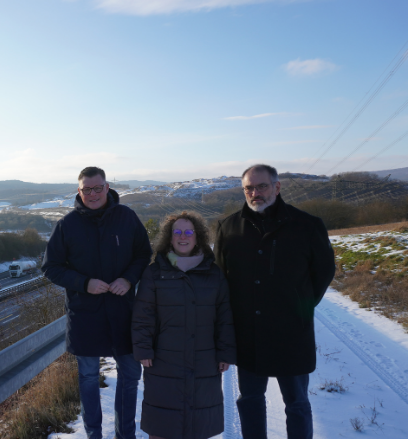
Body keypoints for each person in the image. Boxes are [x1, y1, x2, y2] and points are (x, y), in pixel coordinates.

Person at [214, 164, 336, 439]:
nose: (254, 193)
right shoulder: (228, 227)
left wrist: (301, 305)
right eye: (248, 188)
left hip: (291, 333)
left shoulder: (307, 225)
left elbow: (324, 271)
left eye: (261, 186)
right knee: (250, 399)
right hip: (248, 334)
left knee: (297, 403)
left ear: (277, 187)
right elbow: (221, 276)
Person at [42, 166, 152, 439]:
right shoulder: (67, 225)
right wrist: (84, 283)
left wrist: (128, 279)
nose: (93, 194)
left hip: (124, 313)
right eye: (87, 189)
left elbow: (143, 253)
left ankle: (125, 434)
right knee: (89, 378)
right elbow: (51, 267)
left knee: (130, 376)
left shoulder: (127, 217)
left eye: (97, 188)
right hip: (85, 316)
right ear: (79, 191)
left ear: (107, 187)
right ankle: (94, 435)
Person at [132, 211, 237, 439]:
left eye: (189, 232)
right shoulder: (154, 273)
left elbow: (225, 317)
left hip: (204, 360)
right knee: (162, 424)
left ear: (197, 237)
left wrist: (225, 352)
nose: (183, 236)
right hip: (163, 360)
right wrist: (143, 349)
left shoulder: (214, 274)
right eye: (177, 232)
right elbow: (143, 315)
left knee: (199, 423)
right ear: (169, 238)